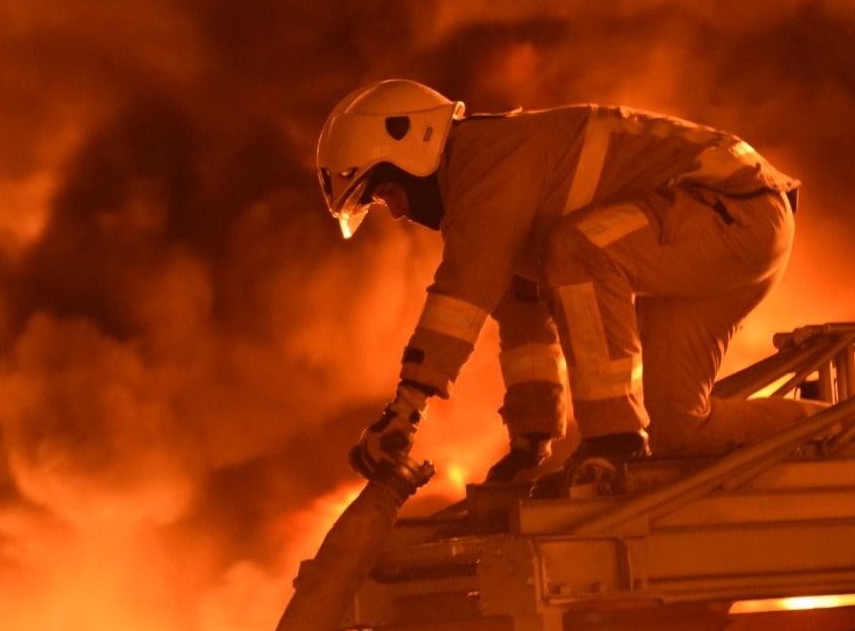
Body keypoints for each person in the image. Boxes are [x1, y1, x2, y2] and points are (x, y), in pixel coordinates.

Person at [316, 79, 819, 485]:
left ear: (412, 143)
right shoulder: (495, 198)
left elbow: (463, 290)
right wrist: (531, 442)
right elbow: (522, 311)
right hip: (713, 234)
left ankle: (616, 438)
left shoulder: (487, 160)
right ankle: (838, 425)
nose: (400, 213)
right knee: (679, 429)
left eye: (386, 192)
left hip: (737, 210)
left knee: (579, 250)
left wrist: (405, 409)